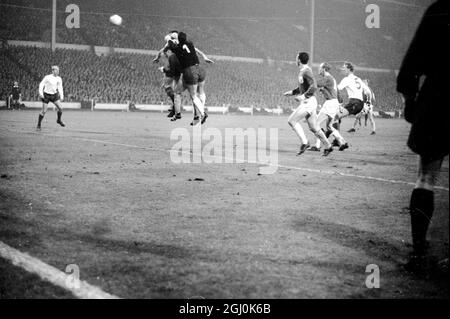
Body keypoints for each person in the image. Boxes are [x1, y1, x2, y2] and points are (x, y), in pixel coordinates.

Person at [396, 0, 448, 274]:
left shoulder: (439, 9)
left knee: (426, 178)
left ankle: (419, 251)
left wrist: (410, 99)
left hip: (439, 97)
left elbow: (412, 61)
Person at [154, 31, 214, 125]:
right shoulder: (190, 43)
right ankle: (196, 115)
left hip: (189, 71)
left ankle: (201, 113)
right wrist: (205, 57)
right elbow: (197, 50)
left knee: (193, 95)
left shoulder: (176, 49)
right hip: (200, 68)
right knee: (200, 92)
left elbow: (165, 47)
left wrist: (168, 38)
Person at [284, 52, 333, 156]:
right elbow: (302, 87)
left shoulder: (306, 71)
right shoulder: (303, 71)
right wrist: (292, 92)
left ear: (299, 60)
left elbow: (314, 86)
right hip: (309, 101)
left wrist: (303, 96)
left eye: (296, 57)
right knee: (314, 127)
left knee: (292, 121)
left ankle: (305, 143)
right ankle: (328, 146)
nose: (295, 59)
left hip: (309, 101)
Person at [309, 63, 349, 152]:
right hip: (334, 103)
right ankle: (343, 142)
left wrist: (308, 80)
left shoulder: (327, 78)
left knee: (315, 124)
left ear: (323, 69)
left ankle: (317, 146)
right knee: (329, 127)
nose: (318, 69)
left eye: (319, 68)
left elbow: (317, 84)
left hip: (330, 103)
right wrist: (339, 104)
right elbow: (337, 92)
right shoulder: (333, 79)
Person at [336, 62, 370, 130]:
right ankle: (336, 138)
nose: (343, 69)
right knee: (338, 116)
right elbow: (368, 91)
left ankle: (335, 138)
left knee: (335, 117)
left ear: (348, 69)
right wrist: (367, 102)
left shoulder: (347, 79)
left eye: (344, 68)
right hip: (360, 104)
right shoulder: (358, 79)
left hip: (354, 103)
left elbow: (338, 88)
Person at [37, 65, 65, 130]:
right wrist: (41, 93)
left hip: (54, 95)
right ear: (53, 71)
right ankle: (39, 124)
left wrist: (61, 96)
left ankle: (58, 120)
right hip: (46, 95)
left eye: (58, 70)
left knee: (60, 108)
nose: (58, 71)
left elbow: (60, 87)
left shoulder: (59, 78)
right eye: (56, 70)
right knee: (44, 111)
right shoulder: (47, 77)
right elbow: (41, 84)